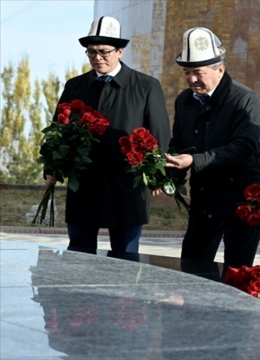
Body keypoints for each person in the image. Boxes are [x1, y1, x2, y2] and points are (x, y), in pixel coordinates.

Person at [44, 16, 170, 253]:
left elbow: (160, 133)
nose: (97, 58)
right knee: (79, 255)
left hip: (127, 185)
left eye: (104, 52)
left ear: (120, 51)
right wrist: (51, 167)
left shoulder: (146, 86)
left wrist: (159, 174)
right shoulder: (75, 85)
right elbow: (58, 129)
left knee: (126, 258)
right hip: (84, 183)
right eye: (91, 52)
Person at [164, 27, 260, 268]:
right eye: (187, 72)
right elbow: (180, 142)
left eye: (198, 73)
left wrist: (194, 161)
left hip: (243, 197)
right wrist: (169, 173)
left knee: (238, 272)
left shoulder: (244, 99)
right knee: (192, 265)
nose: (192, 79)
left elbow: (244, 148)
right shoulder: (184, 100)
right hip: (205, 195)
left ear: (220, 69)